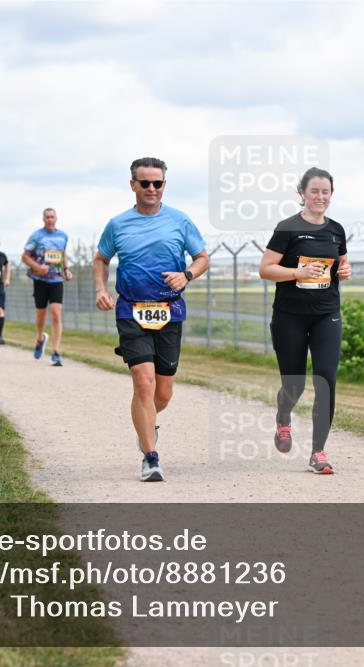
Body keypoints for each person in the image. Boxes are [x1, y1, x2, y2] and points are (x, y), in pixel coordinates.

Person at [94, 157, 209, 482]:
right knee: (143, 383)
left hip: (169, 310)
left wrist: (186, 275)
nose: (151, 189)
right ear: (133, 185)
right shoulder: (118, 224)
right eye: (144, 183)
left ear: (164, 186)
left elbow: (202, 258)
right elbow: (101, 258)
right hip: (131, 309)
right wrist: (101, 289)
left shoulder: (179, 221)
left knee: (163, 393)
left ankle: (146, 425)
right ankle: (150, 457)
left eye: (157, 183)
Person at [259, 167, 351, 475]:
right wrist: (297, 273)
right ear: (302, 193)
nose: (320, 197)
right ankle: (283, 417)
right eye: (315, 191)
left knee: (326, 379)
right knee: (294, 385)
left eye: (325, 192)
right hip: (290, 317)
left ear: (331, 195)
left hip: (327, 314)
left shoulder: (337, 230)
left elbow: (341, 263)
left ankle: (318, 452)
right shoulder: (287, 228)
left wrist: (345, 271)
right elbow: (266, 268)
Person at [22, 208, 72, 366]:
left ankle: (56, 351)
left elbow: (63, 254)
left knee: (56, 314)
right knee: (41, 315)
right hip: (40, 280)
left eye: (52, 217)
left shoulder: (63, 236)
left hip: (56, 280)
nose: (50, 219)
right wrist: (37, 267)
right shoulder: (37, 236)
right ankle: (39, 339)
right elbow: (25, 256)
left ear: (56, 218)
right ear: (43, 219)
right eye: (47, 217)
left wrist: (66, 270)